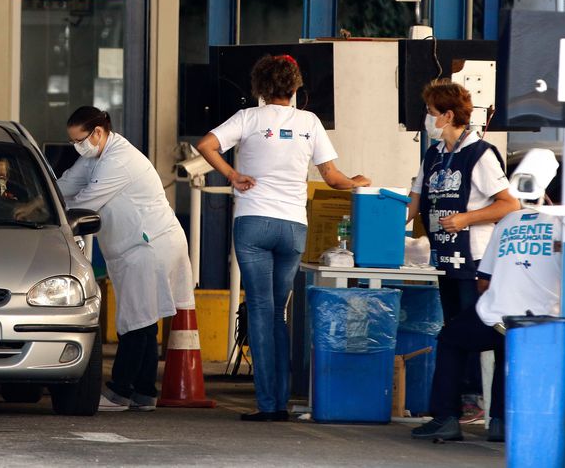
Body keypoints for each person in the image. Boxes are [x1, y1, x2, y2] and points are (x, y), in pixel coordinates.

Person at [196, 54, 370, 421]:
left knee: (259, 310)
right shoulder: (310, 122)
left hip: (253, 223)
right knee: (279, 313)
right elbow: (333, 176)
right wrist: (359, 182)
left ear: (259, 86)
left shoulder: (248, 118)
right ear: (295, 87)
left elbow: (206, 145)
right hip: (293, 227)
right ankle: (282, 400)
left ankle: (268, 404)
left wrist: (232, 174)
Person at [412, 149, 564, 442]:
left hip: (496, 315)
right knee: (510, 347)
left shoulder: (507, 223)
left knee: (451, 339)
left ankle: (446, 417)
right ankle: (501, 422)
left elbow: (484, 282)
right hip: (541, 323)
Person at [57, 106, 195, 412]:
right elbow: (64, 186)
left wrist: (45, 214)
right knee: (142, 320)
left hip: (149, 245)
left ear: (98, 133)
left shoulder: (120, 160)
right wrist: (38, 197)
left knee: (135, 323)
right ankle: (144, 393)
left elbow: (86, 201)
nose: (77, 147)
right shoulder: (95, 157)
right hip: (134, 246)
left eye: (80, 140)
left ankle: (120, 391)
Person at [406, 80, 519, 422]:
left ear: (448, 115)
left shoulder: (479, 154)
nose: (427, 119)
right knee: (452, 325)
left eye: (431, 113)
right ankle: (456, 404)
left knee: (471, 331)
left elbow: (509, 205)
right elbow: (412, 203)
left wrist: (468, 218)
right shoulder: (433, 155)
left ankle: (472, 401)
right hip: (445, 260)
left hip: (477, 262)